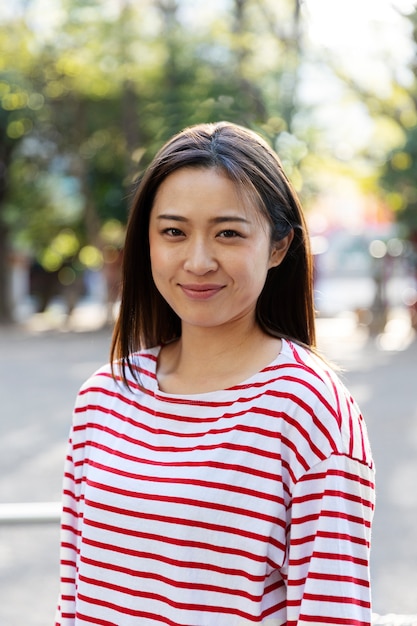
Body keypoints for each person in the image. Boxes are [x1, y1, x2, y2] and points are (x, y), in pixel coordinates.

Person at [55, 121, 375, 626]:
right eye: (174, 232)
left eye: (228, 233)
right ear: (148, 243)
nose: (198, 261)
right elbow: (73, 601)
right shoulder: (104, 397)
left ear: (277, 246)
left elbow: (331, 613)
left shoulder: (308, 407)